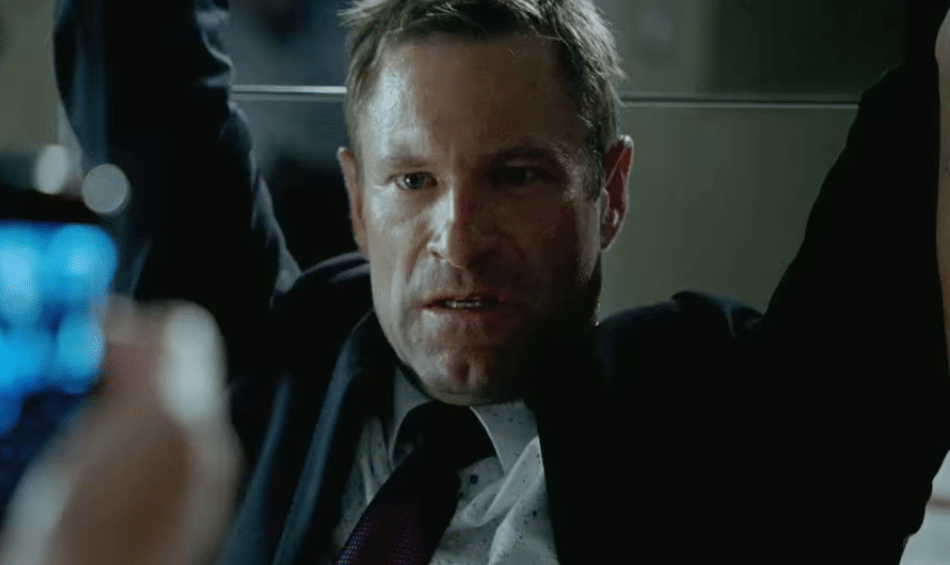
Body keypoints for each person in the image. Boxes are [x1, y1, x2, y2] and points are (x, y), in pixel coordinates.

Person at [30, 0, 950, 563]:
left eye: (516, 176)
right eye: (412, 181)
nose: (460, 241)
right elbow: (139, 58)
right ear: (356, 200)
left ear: (610, 192)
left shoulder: (718, 420)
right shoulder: (258, 367)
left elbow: (910, 193)